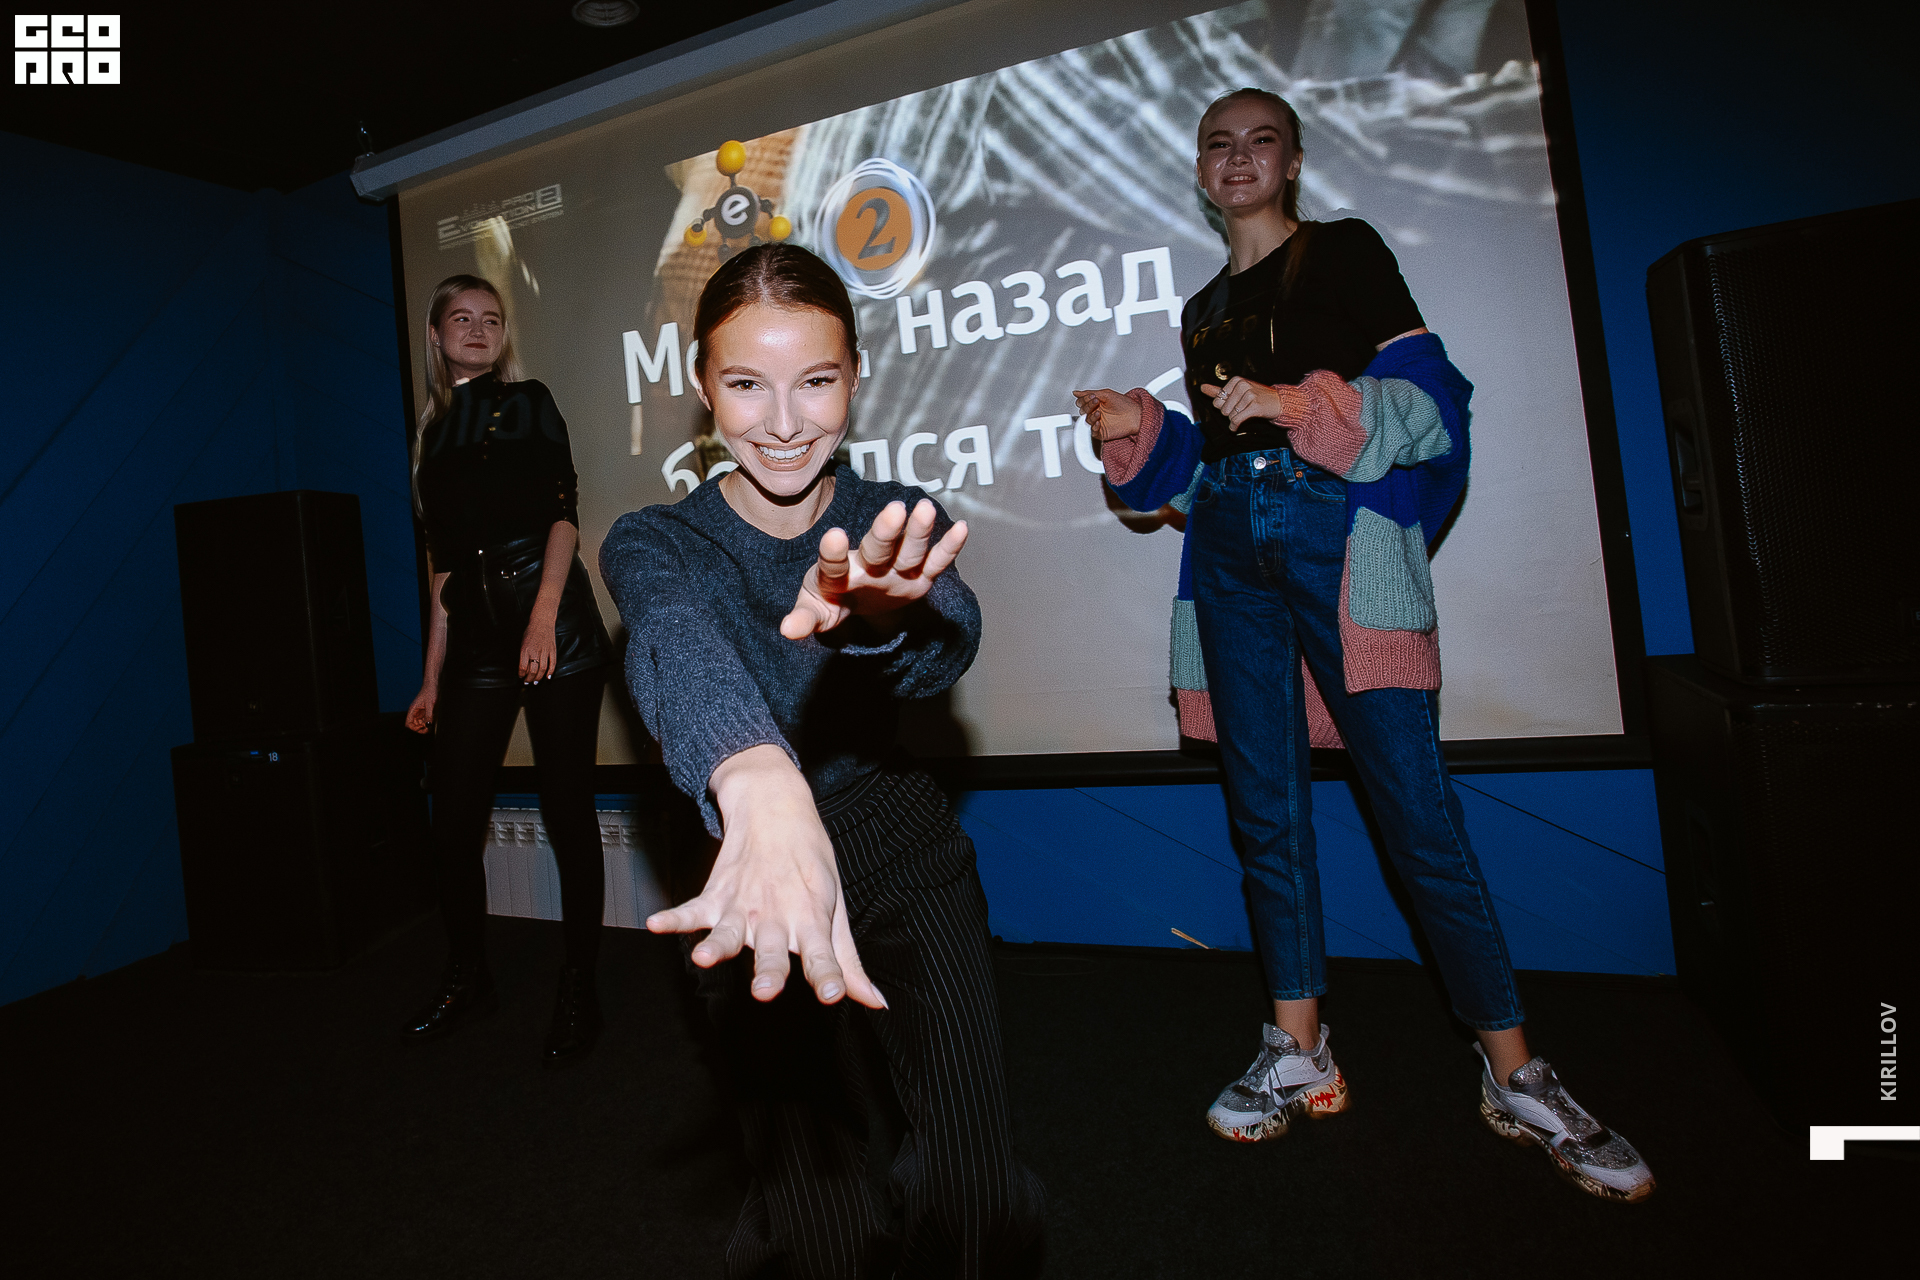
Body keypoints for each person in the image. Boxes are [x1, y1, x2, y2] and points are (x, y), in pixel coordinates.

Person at [1073, 88, 1655, 1202]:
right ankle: (1301, 1048)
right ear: (1200, 170)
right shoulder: (1200, 307)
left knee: (1417, 814)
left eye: (1261, 141)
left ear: (1292, 160)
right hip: (1231, 548)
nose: (1238, 158)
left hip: (1336, 539)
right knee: (1266, 814)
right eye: (1218, 144)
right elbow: (1210, 467)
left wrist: (1300, 403)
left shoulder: (1344, 251)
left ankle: (1517, 1071)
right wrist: (1143, 431)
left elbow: (1432, 403)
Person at [599, 244, 1045, 1277]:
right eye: (747, 384)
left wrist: (883, 620)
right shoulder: (654, 540)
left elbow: (950, 636)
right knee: (820, 1231)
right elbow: (673, 638)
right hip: (745, 857)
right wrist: (756, 775)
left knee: (978, 1198)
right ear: (703, 387)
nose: (785, 421)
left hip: (895, 832)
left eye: (816, 381)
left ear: (855, 377)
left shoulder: (890, 517)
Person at [402, 273, 614, 1066]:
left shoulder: (528, 401)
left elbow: (563, 514)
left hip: (552, 622)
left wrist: (543, 617)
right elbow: (443, 571)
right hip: (476, 645)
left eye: (491, 318)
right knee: (452, 824)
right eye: (461, 318)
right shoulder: (431, 435)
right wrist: (432, 678)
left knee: (567, 809)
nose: (478, 329)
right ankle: (470, 978)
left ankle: (580, 985)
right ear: (436, 334)